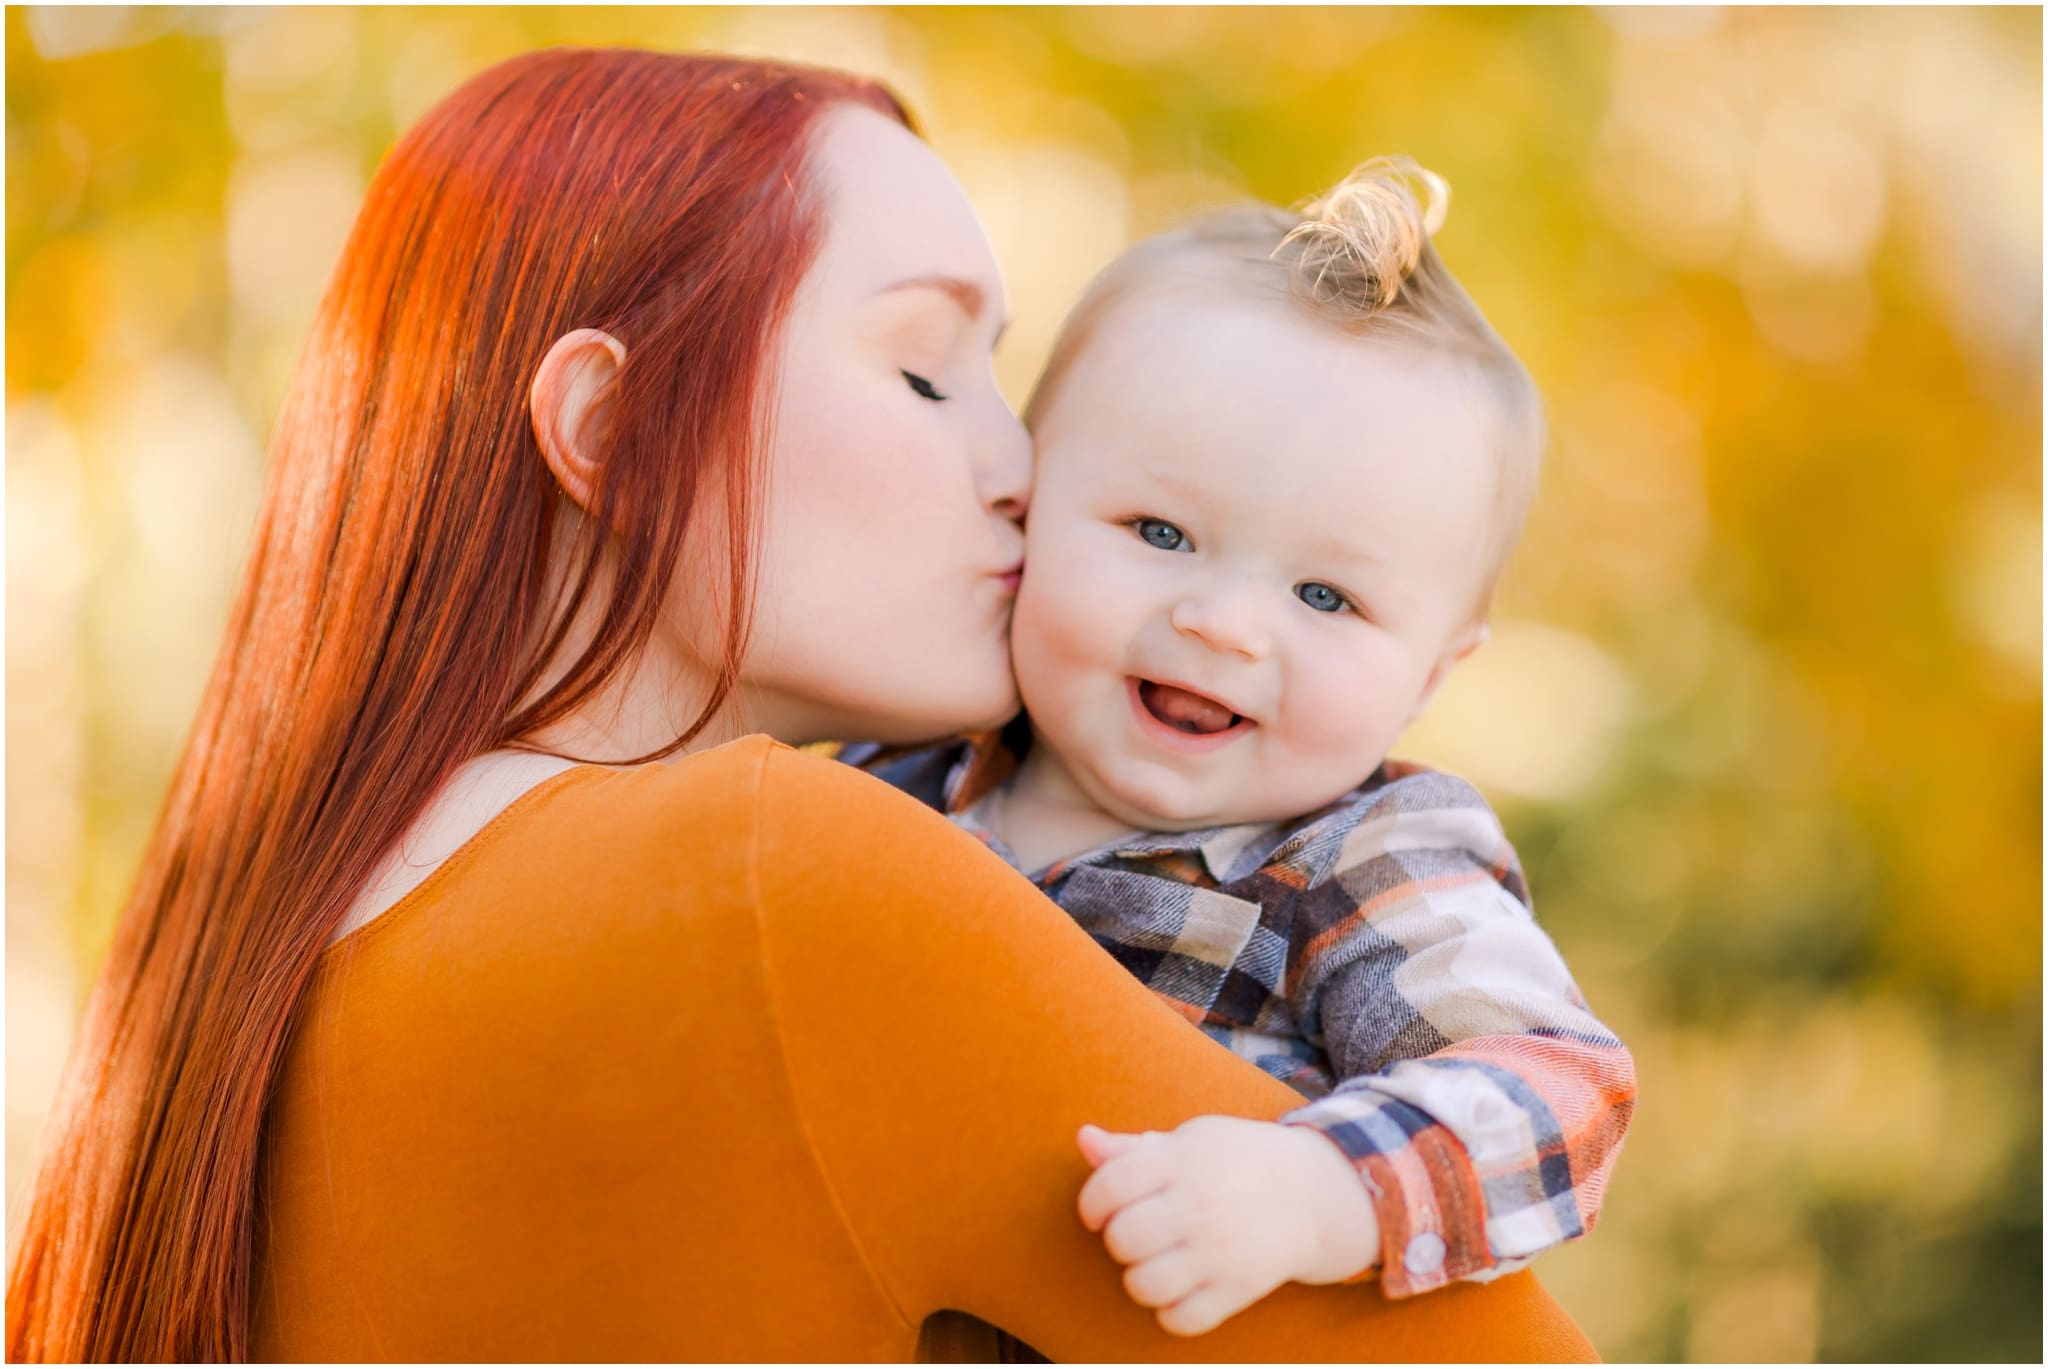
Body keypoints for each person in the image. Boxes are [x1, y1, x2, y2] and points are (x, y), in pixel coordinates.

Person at [4, 48, 1598, 1362]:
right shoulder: (796, 865)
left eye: (1002, 376)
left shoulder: (268, 956)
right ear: (614, 432)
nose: (1017, 465)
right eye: (925, 373)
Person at [850, 160, 1635, 1345]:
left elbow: (1552, 1086)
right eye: (1159, 531)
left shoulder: (1352, 858)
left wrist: (1318, 1191)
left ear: (1428, 675)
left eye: (1324, 595)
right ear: (1024, 505)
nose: (1222, 622)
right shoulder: (895, 758)